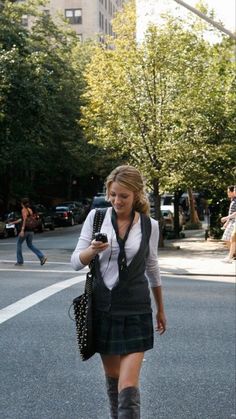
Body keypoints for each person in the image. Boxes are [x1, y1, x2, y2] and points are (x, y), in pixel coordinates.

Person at [71, 165, 166, 418]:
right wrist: (93, 250)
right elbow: (75, 262)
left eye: (123, 196)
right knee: (114, 384)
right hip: (104, 309)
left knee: (127, 387)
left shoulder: (150, 225)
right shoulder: (97, 218)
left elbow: (152, 266)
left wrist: (160, 309)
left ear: (136, 195)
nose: (117, 201)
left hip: (136, 310)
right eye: (113, 194)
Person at [14, 198, 47, 266]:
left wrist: (22, 230)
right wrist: (14, 222)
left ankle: (20, 261)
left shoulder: (23, 210)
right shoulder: (30, 210)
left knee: (19, 244)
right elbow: (25, 219)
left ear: (22, 204)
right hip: (31, 230)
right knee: (30, 245)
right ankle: (42, 257)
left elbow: (25, 220)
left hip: (25, 230)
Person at [221, 186, 236, 259]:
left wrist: (227, 219)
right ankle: (233, 254)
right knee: (228, 238)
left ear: (233, 192)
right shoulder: (233, 200)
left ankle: (232, 254)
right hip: (231, 221)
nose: (228, 193)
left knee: (228, 238)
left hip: (234, 221)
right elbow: (231, 212)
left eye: (229, 192)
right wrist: (227, 222)